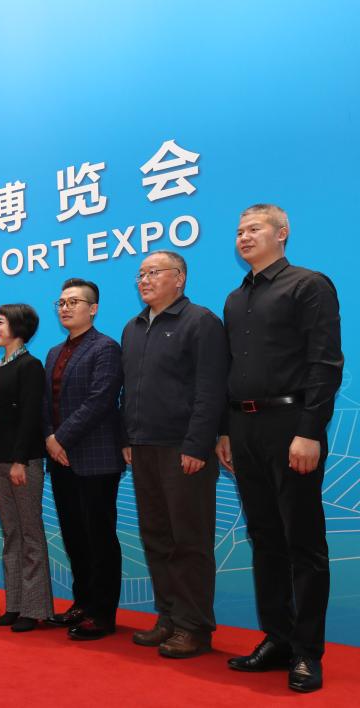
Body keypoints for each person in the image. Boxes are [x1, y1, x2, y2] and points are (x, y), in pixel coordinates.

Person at [217, 204, 343, 693]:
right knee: (264, 537)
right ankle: (278, 638)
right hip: (244, 427)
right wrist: (225, 431)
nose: (244, 237)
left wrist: (310, 430)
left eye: (254, 229)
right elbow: (230, 369)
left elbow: (324, 364)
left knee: (302, 543)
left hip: (292, 426)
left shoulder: (308, 285)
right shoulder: (234, 299)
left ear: (282, 233)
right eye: (239, 231)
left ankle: (308, 652)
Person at [120, 252, 227, 658]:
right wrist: (127, 438)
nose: (145, 280)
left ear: (179, 278)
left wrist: (197, 444)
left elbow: (210, 389)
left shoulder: (200, 322)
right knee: (157, 536)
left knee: (189, 540)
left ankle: (193, 627)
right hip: (143, 446)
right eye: (141, 274)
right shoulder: (133, 328)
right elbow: (128, 390)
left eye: (154, 273)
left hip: (183, 448)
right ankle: (168, 617)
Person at [42, 279, 125, 640]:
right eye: (61, 302)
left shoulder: (105, 348)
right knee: (74, 535)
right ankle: (82, 603)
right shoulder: (53, 352)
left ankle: (102, 614)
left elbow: (100, 400)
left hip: (95, 457)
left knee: (99, 537)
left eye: (73, 302)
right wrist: (50, 437)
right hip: (59, 458)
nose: (65, 308)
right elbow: (46, 403)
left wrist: (61, 437)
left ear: (93, 309)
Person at [0, 304, 53, 632]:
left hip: (21, 462)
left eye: (1, 322)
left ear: (19, 327)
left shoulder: (30, 366)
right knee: (11, 533)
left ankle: (35, 608)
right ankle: (14, 604)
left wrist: (20, 460)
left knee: (30, 533)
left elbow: (30, 416)